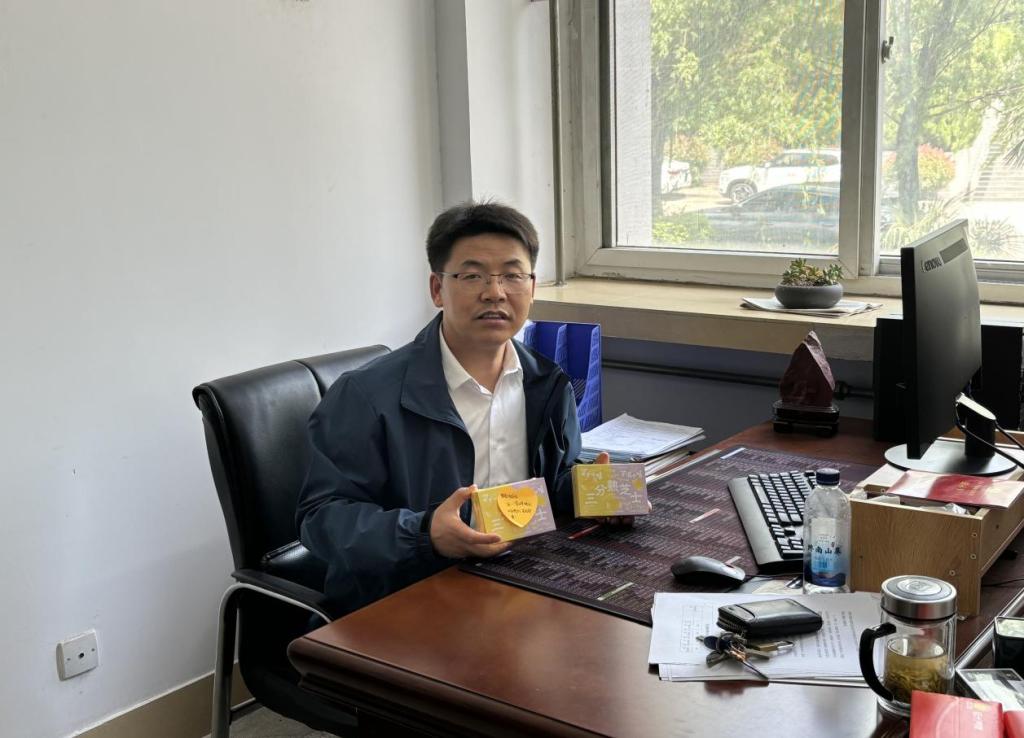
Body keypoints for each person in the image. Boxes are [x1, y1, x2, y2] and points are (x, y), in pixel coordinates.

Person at [296, 201, 593, 616]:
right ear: (437, 289)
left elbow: (556, 476)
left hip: (518, 581)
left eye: (512, 275)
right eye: (472, 276)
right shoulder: (365, 395)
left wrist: (594, 492)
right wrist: (425, 533)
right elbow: (321, 519)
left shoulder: (547, 383)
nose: (495, 292)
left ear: (531, 287)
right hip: (405, 600)